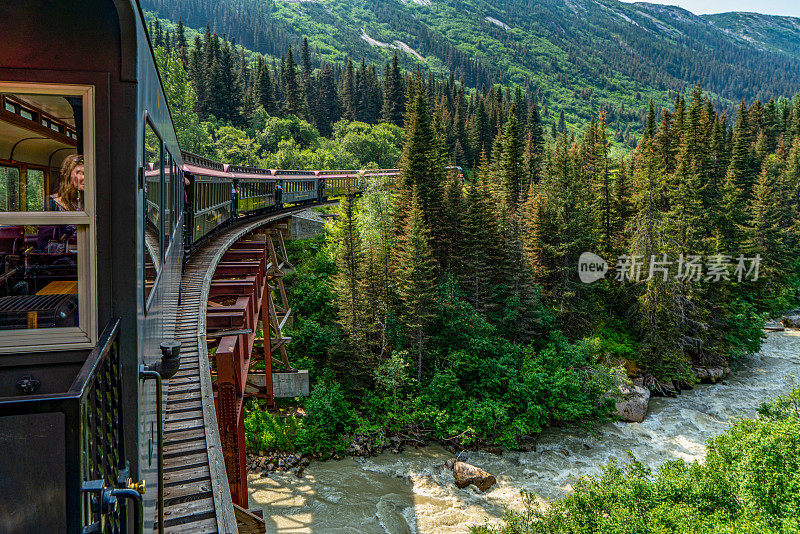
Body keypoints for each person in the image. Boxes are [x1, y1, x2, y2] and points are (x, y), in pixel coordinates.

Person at [37, 154, 83, 251]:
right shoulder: (53, 204)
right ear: (68, 175)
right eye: (80, 173)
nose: (85, 177)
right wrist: (68, 247)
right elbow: (44, 245)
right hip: (64, 261)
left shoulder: (96, 203)